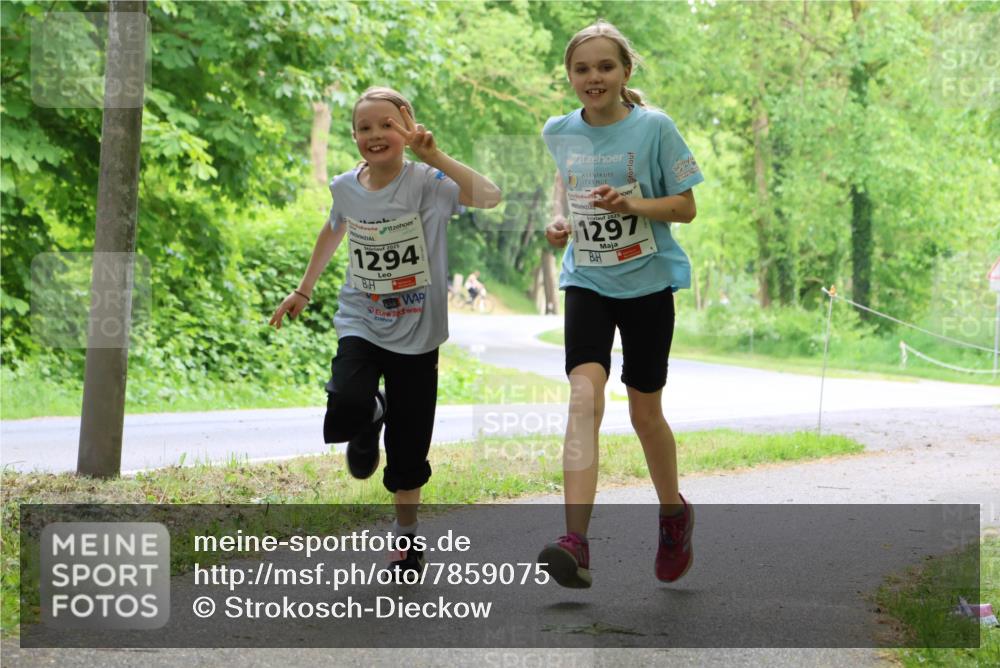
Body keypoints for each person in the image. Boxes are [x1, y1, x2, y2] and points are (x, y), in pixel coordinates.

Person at [270, 86, 501, 574]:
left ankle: (406, 538)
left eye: (387, 125)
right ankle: (368, 413)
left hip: (418, 332)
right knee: (346, 406)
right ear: (353, 135)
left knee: (409, 448)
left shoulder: (428, 183)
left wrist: (434, 153)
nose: (375, 135)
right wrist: (303, 290)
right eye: (364, 127)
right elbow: (334, 228)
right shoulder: (345, 187)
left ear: (408, 128)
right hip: (362, 319)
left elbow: (490, 197)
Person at [538, 20, 704, 588]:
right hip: (587, 279)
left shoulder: (655, 128)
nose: (594, 77)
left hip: (648, 283)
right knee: (583, 399)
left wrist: (631, 204)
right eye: (582, 68)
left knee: (643, 413)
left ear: (625, 72)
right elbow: (573, 199)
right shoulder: (558, 131)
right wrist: (561, 226)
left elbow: (685, 208)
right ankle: (575, 542)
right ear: (569, 75)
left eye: (605, 66)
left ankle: (672, 514)